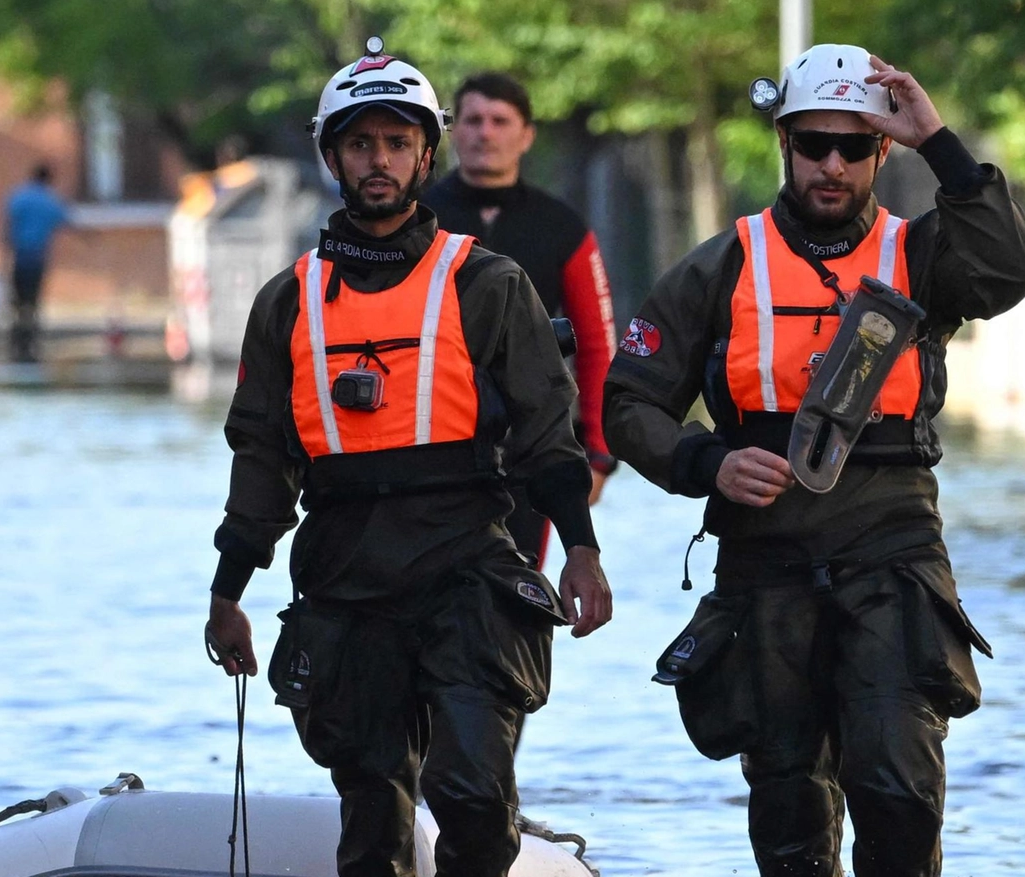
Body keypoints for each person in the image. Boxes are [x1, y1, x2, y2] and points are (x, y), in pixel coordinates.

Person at [603, 45, 1025, 877]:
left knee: (897, 784)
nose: (831, 164)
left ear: (882, 153)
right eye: (813, 145)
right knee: (790, 811)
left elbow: (1016, 268)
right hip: (765, 561)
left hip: (892, 548)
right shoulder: (721, 264)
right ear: (784, 145)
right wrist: (709, 462)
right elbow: (627, 402)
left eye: (853, 146)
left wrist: (938, 143)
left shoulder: (922, 253)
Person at [205, 38, 613, 877]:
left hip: (465, 561)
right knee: (373, 806)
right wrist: (228, 592)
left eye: (396, 143)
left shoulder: (488, 282)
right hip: (345, 573)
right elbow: (260, 459)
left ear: (427, 154)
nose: (379, 161)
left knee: (470, 787)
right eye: (361, 144)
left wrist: (580, 548)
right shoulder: (285, 302)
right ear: (332, 157)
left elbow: (547, 430)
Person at [422, 72, 618, 567]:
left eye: (500, 120)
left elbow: (597, 344)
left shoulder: (562, 227)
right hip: (431, 447)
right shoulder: (418, 219)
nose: (485, 132)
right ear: (452, 131)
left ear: (526, 135)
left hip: (533, 448)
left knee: (519, 594)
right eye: (472, 120)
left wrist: (597, 455)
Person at [2, 163, 72, 363]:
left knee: (17, 300)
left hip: (20, 257)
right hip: (37, 259)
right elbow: (66, 220)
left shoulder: (19, 197)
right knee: (33, 301)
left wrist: (2, 255)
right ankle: (31, 339)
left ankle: (17, 340)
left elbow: (7, 225)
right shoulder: (50, 200)